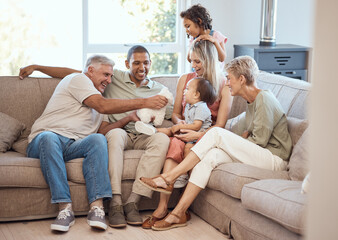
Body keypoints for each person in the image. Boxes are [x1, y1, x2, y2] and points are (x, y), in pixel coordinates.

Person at [19, 45, 171, 229]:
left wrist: (128, 118)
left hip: (72, 146)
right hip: (44, 142)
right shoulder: (79, 80)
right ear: (90, 71)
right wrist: (38, 67)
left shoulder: (99, 96)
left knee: (98, 140)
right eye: (106, 75)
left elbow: (103, 130)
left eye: (111, 76)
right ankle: (65, 208)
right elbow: (101, 104)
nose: (109, 80)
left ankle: (97, 207)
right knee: (49, 138)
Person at [139, 55, 293, 231]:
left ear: (241, 79)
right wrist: (239, 138)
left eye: (229, 78)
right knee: (211, 157)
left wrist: (239, 139)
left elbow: (259, 141)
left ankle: (168, 177)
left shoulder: (264, 99)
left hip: (274, 159)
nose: (227, 83)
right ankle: (178, 213)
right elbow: (234, 133)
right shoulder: (251, 103)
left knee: (216, 133)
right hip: (259, 154)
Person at [139, 40, 233, 229]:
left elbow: (220, 125)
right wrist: (179, 123)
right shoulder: (185, 79)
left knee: (179, 143)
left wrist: (196, 133)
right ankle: (162, 207)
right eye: (192, 61)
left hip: (206, 135)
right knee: (175, 143)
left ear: (209, 60)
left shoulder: (225, 85)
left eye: (198, 61)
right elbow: (175, 114)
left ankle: (171, 206)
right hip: (185, 130)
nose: (194, 66)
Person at [180, 4, 227, 69]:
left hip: (214, 75)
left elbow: (222, 58)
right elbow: (189, 59)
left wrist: (215, 42)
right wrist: (193, 43)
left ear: (199, 21)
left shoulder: (216, 35)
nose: (186, 31)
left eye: (188, 26)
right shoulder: (193, 39)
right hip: (199, 75)